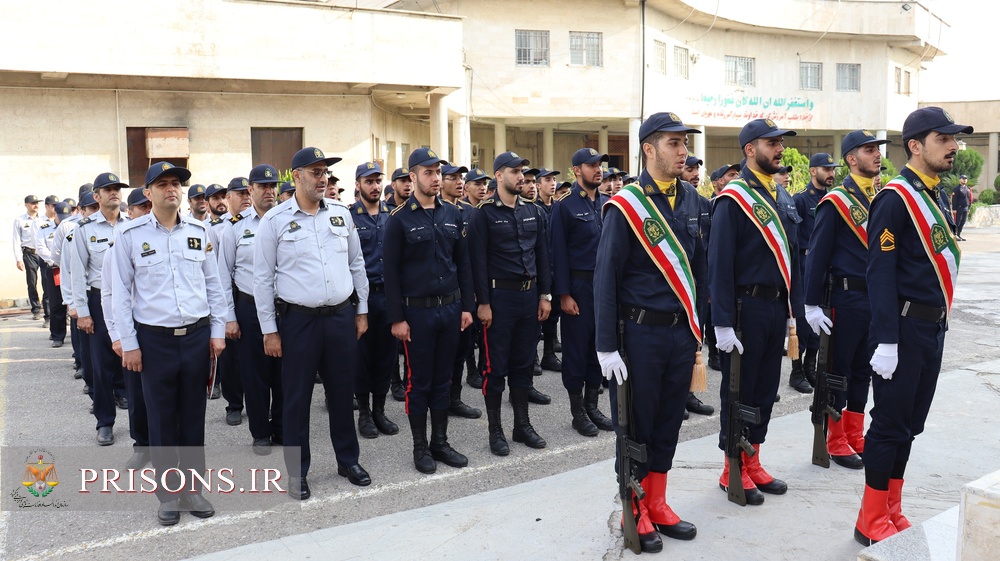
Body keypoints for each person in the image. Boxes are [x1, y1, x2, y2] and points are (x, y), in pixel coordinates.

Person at [854, 107, 972, 545]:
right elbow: (879, 274)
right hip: (901, 331)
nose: (954, 147)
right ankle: (870, 518)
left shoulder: (935, 194)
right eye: (945, 139)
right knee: (888, 424)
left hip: (930, 329)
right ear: (916, 145)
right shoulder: (894, 198)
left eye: (954, 139)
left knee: (910, 425)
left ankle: (891, 507)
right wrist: (886, 341)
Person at [595, 112, 707, 553]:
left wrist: (702, 331)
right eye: (674, 144)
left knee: (667, 422)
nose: (683, 152)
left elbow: (697, 272)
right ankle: (635, 505)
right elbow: (605, 278)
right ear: (648, 149)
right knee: (636, 424)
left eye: (684, 144)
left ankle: (658, 500)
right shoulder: (628, 206)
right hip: (639, 335)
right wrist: (606, 346)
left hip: (681, 334)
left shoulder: (695, 202)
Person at [111, 161, 226, 526]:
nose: (171, 189)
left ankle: (193, 488)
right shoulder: (129, 236)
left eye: (176, 183)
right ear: (148, 193)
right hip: (154, 341)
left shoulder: (199, 231)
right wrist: (128, 343)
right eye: (162, 184)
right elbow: (118, 295)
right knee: (160, 418)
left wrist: (218, 331)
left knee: (193, 416)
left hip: (195, 337)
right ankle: (168, 494)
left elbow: (214, 286)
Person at [254, 147, 372, 500]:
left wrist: (361, 310)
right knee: (296, 399)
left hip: (339, 317)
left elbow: (357, 264)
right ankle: (297, 471)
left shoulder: (340, 214)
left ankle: (348, 459)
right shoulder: (274, 221)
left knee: (341, 393)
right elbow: (262, 280)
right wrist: (269, 330)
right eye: (315, 172)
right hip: (298, 322)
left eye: (325, 172)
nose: (322, 178)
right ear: (296, 177)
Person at [710, 118, 804, 505]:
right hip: (744, 306)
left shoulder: (779, 196)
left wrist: (792, 312)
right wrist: (722, 324)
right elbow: (719, 263)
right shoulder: (734, 199)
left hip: (773, 306)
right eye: (772, 143)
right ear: (750, 149)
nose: (779, 149)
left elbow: (792, 258)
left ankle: (754, 458)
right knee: (740, 390)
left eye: (781, 142)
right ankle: (732, 465)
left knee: (766, 388)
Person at [383, 150, 475, 473]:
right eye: (428, 172)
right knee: (418, 383)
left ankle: (440, 442)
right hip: (417, 315)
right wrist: (397, 318)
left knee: (443, 379)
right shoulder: (398, 220)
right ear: (412, 178)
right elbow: (390, 273)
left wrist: (467, 307)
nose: (435, 178)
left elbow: (462, 263)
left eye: (438, 172)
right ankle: (420, 446)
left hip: (449, 310)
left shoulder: (452, 214)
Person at [804, 131, 888, 472]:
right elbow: (816, 256)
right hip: (846, 296)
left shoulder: (881, 198)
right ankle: (835, 438)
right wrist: (810, 305)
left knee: (862, 370)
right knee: (839, 371)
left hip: (875, 299)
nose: (877, 155)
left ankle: (854, 433)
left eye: (877, 150)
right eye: (869, 150)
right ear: (851, 159)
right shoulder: (836, 201)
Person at [468, 151, 552, 456]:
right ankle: (496, 430)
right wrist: (483, 304)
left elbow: (542, 256)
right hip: (499, 300)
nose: (521, 177)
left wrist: (545, 295)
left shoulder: (533, 212)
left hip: (529, 298)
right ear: (499, 175)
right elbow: (477, 263)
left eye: (522, 171)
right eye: (515, 172)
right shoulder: (483, 214)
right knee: (495, 367)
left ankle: (522, 425)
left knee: (523, 364)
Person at [219, 164, 285, 455]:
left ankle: (282, 427)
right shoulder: (234, 227)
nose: (269, 191)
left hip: (285, 307)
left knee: (284, 373)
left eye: (273, 186)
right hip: (249, 308)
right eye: (263, 186)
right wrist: (229, 318)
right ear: (251, 191)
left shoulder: (286, 220)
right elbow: (223, 275)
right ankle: (260, 432)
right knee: (255, 374)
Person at [550, 148, 615, 437]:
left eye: (599, 164)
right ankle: (578, 411)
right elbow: (558, 254)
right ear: (577, 171)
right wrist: (563, 294)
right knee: (576, 351)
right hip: (578, 287)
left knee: (597, 348)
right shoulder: (564, 206)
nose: (597, 169)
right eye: (591, 165)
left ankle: (593, 405)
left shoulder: (607, 203)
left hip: (603, 288)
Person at [71, 173, 130, 446]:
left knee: (134, 359)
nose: (114, 193)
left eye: (117, 188)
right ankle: (105, 422)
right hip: (98, 301)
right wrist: (82, 311)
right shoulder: (84, 229)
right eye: (107, 189)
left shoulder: (133, 225)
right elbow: (77, 272)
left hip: (131, 300)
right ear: (96, 196)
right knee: (101, 365)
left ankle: (141, 424)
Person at [348, 162, 402, 436]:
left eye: (377, 181)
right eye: (368, 181)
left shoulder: (393, 215)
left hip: (387, 297)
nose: (375, 186)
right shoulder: (349, 217)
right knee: (361, 358)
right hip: (361, 300)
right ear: (358, 185)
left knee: (386, 356)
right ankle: (365, 413)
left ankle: (380, 410)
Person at [104, 187, 154, 470]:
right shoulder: (119, 245)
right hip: (132, 327)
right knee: (136, 392)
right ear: (129, 212)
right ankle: (142, 445)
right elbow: (109, 294)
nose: (146, 211)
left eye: (149, 206)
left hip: (160, 327)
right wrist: (117, 335)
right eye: (140, 207)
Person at [790, 153, 842, 393]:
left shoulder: (834, 198)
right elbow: (793, 238)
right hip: (804, 264)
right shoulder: (801, 199)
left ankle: (811, 366)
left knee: (820, 320)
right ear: (813, 171)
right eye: (826, 169)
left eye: (832, 169)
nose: (831, 173)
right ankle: (797, 370)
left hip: (826, 267)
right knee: (802, 321)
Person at [439, 162, 484, 419]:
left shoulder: (469, 211)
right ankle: (440, 398)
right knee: (441, 351)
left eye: (460, 177)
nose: (458, 182)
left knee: (462, 347)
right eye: (452, 177)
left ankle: (454, 398)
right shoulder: (436, 211)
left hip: (465, 292)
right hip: (443, 291)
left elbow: (474, 256)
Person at [208, 180, 246, 421]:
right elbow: (214, 270)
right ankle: (234, 404)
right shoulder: (216, 228)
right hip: (226, 291)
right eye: (238, 194)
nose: (245, 198)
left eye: (246, 193)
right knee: (231, 355)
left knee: (252, 354)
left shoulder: (261, 222)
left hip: (249, 292)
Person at [13, 195, 46, 320]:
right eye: (33, 203)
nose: (36, 205)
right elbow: (16, 241)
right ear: (26, 204)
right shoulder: (19, 220)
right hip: (29, 254)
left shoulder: (43, 220)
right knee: (32, 282)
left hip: (43, 254)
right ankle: (36, 309)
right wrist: (18, 259)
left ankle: (47, 310)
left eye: (37, 203)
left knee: (47, 282)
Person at [951, 174, 971, 241]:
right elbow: (954, 199)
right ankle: (955, 235)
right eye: (963, 179)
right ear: (960, 180)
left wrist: (969, 208)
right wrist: (954, 209)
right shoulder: (957, 189)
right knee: (957, 222)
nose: (964, 180)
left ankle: (959, 234)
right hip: (959, 208)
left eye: (965, 179)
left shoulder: (968, 189)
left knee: (963, 222)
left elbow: (969, 199)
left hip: (966, 207)